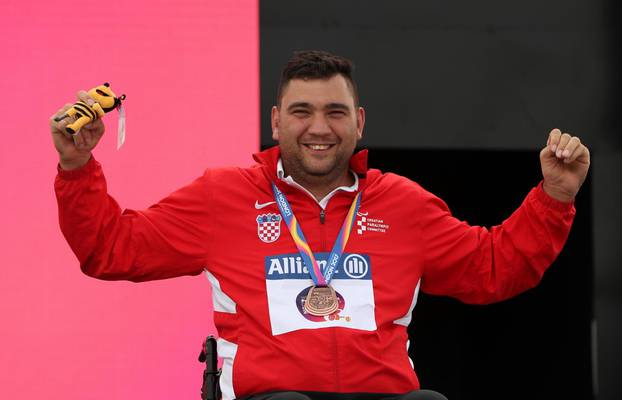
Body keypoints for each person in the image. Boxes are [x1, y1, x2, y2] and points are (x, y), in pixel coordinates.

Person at [50, 50, 590, 400]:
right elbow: (112, 249)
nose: (318, 128)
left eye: (335, 112)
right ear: (276, 121)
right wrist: (77, 169)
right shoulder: (224, 196)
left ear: (358, 122)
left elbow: (494, 268)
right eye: (302, 111)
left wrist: (555, 197)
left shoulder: (402, 203)